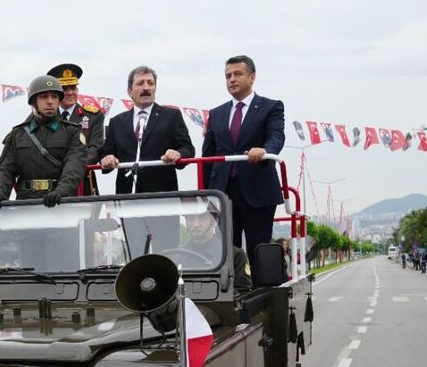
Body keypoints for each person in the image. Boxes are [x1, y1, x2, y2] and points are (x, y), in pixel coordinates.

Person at [98, 66, 196, 254]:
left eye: (150, 83)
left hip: (163, 199)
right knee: (135, 256)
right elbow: (105, 153)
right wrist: (107, 159)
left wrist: (178, 154)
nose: (146, 88)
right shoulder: (117, 122)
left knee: (167, 254)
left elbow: (188, 148)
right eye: (140, 83)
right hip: (129, 200)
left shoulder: (171, 116)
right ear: (129, 91)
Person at [201, 56, 287, 259]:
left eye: (237, 74)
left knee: (259, 247)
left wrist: (264, 151)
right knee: (227, 250)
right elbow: (208, 155)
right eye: (227, 76)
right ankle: (233, 289)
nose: (232, 79)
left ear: (252, 77)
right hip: (223, 192)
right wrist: (205, 194)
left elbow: (276, 137)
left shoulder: (271, 107)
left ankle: (263, 288)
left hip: (258, 189)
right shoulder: (216, 113)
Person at [0, 74, 87, 210]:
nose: (50, 101)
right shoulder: (17, 134)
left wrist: (61, 192)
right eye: (44, 97)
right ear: (34, 102)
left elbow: (74, 168)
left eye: (54, 97)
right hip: (26, 206)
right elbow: (5, 170)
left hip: (61, 204)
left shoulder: (72, 132)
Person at [47, 63, 105, 193]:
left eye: (73, 88)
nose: (70, 93)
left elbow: (96, 148)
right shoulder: (45, 115)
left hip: (82, 181)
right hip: (52, 183)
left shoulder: (93, 116)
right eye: (65, 88)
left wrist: (71, 166)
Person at [180, 207, 252, 290]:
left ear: (214, 222)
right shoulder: (177, 255)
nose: (196, 224)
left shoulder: (234, 255)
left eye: (203, 218)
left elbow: (242, 292)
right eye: (191, 219)